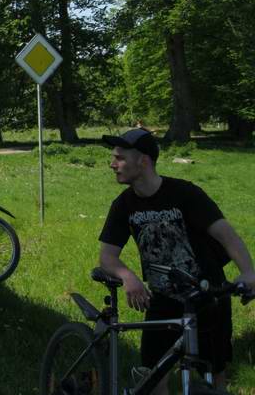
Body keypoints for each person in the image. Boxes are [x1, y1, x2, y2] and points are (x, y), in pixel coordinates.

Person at [98, 128, 255, 393]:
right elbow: (107, 256)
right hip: (163, 299)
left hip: (207, 296)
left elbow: (228, 237)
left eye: (120, 158)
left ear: (143, 161)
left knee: (214, 373)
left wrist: (249, 272)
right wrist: (128, 277)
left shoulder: (185, 194)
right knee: (154, 373)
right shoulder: (123, 205)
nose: (113, 164)